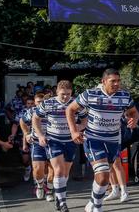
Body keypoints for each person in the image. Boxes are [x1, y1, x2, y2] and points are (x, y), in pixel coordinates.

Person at [65, 69, 139, 212]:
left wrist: (134, 120)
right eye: (113, 81)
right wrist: (74, 131)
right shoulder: (90, 94)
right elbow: (70, 109)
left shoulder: (125, 96)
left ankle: (92, 202)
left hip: (113, 141)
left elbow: (134, 112)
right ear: (103, 81)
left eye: (118, 81)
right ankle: (97, 207)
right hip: (93, 139)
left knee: (102, 176)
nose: (117, 84)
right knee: (104, 175)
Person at [33, 80, 84, 212]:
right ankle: (62, 202)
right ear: (56, 92)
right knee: (59, 170)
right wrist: (40, 135)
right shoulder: (48, 103)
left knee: (65, 173)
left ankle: (58, 195)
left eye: (68, 94)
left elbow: (85, 119)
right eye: (62, 94)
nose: (65, 97)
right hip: (53, 141)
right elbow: (35, 118)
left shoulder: (76, 103)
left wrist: (81, 126)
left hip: (70, 141)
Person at [21, 93, 54, 200]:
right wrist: (26, 134)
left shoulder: (56, 110)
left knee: (52, 168)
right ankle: (39, 185)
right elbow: (22, 121)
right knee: (38, 168)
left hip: (54, 142)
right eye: (38, 102)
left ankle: (49, 190)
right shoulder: (32, 111)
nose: (41, 104)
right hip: (37, 143)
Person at [104, 116, 131, 203]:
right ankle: (115, 190)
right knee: (108, 165)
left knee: (117, 164)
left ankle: (124, 192)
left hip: (114, 138)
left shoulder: (116, 105)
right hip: (102, 137)